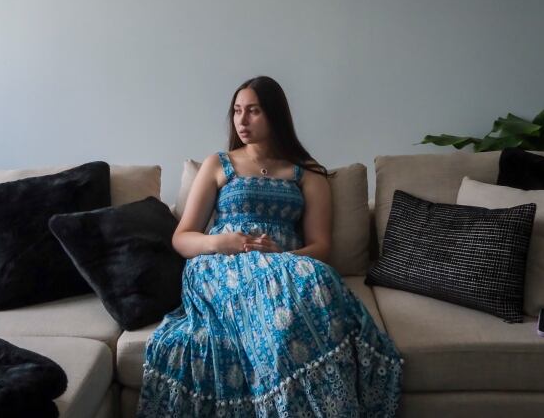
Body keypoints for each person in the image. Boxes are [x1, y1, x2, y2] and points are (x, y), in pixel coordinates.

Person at [137, 76, 402, 417]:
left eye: (253, 111)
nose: (242, 121)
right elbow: (182, 237)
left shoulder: (307, 174)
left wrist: (280, 257)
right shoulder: (219, 164)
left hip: (286, 265)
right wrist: (224, 242)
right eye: (236, 111)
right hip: (221, 265)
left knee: (317, 281)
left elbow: (321, 247)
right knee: (283, 305)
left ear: (275, 115)